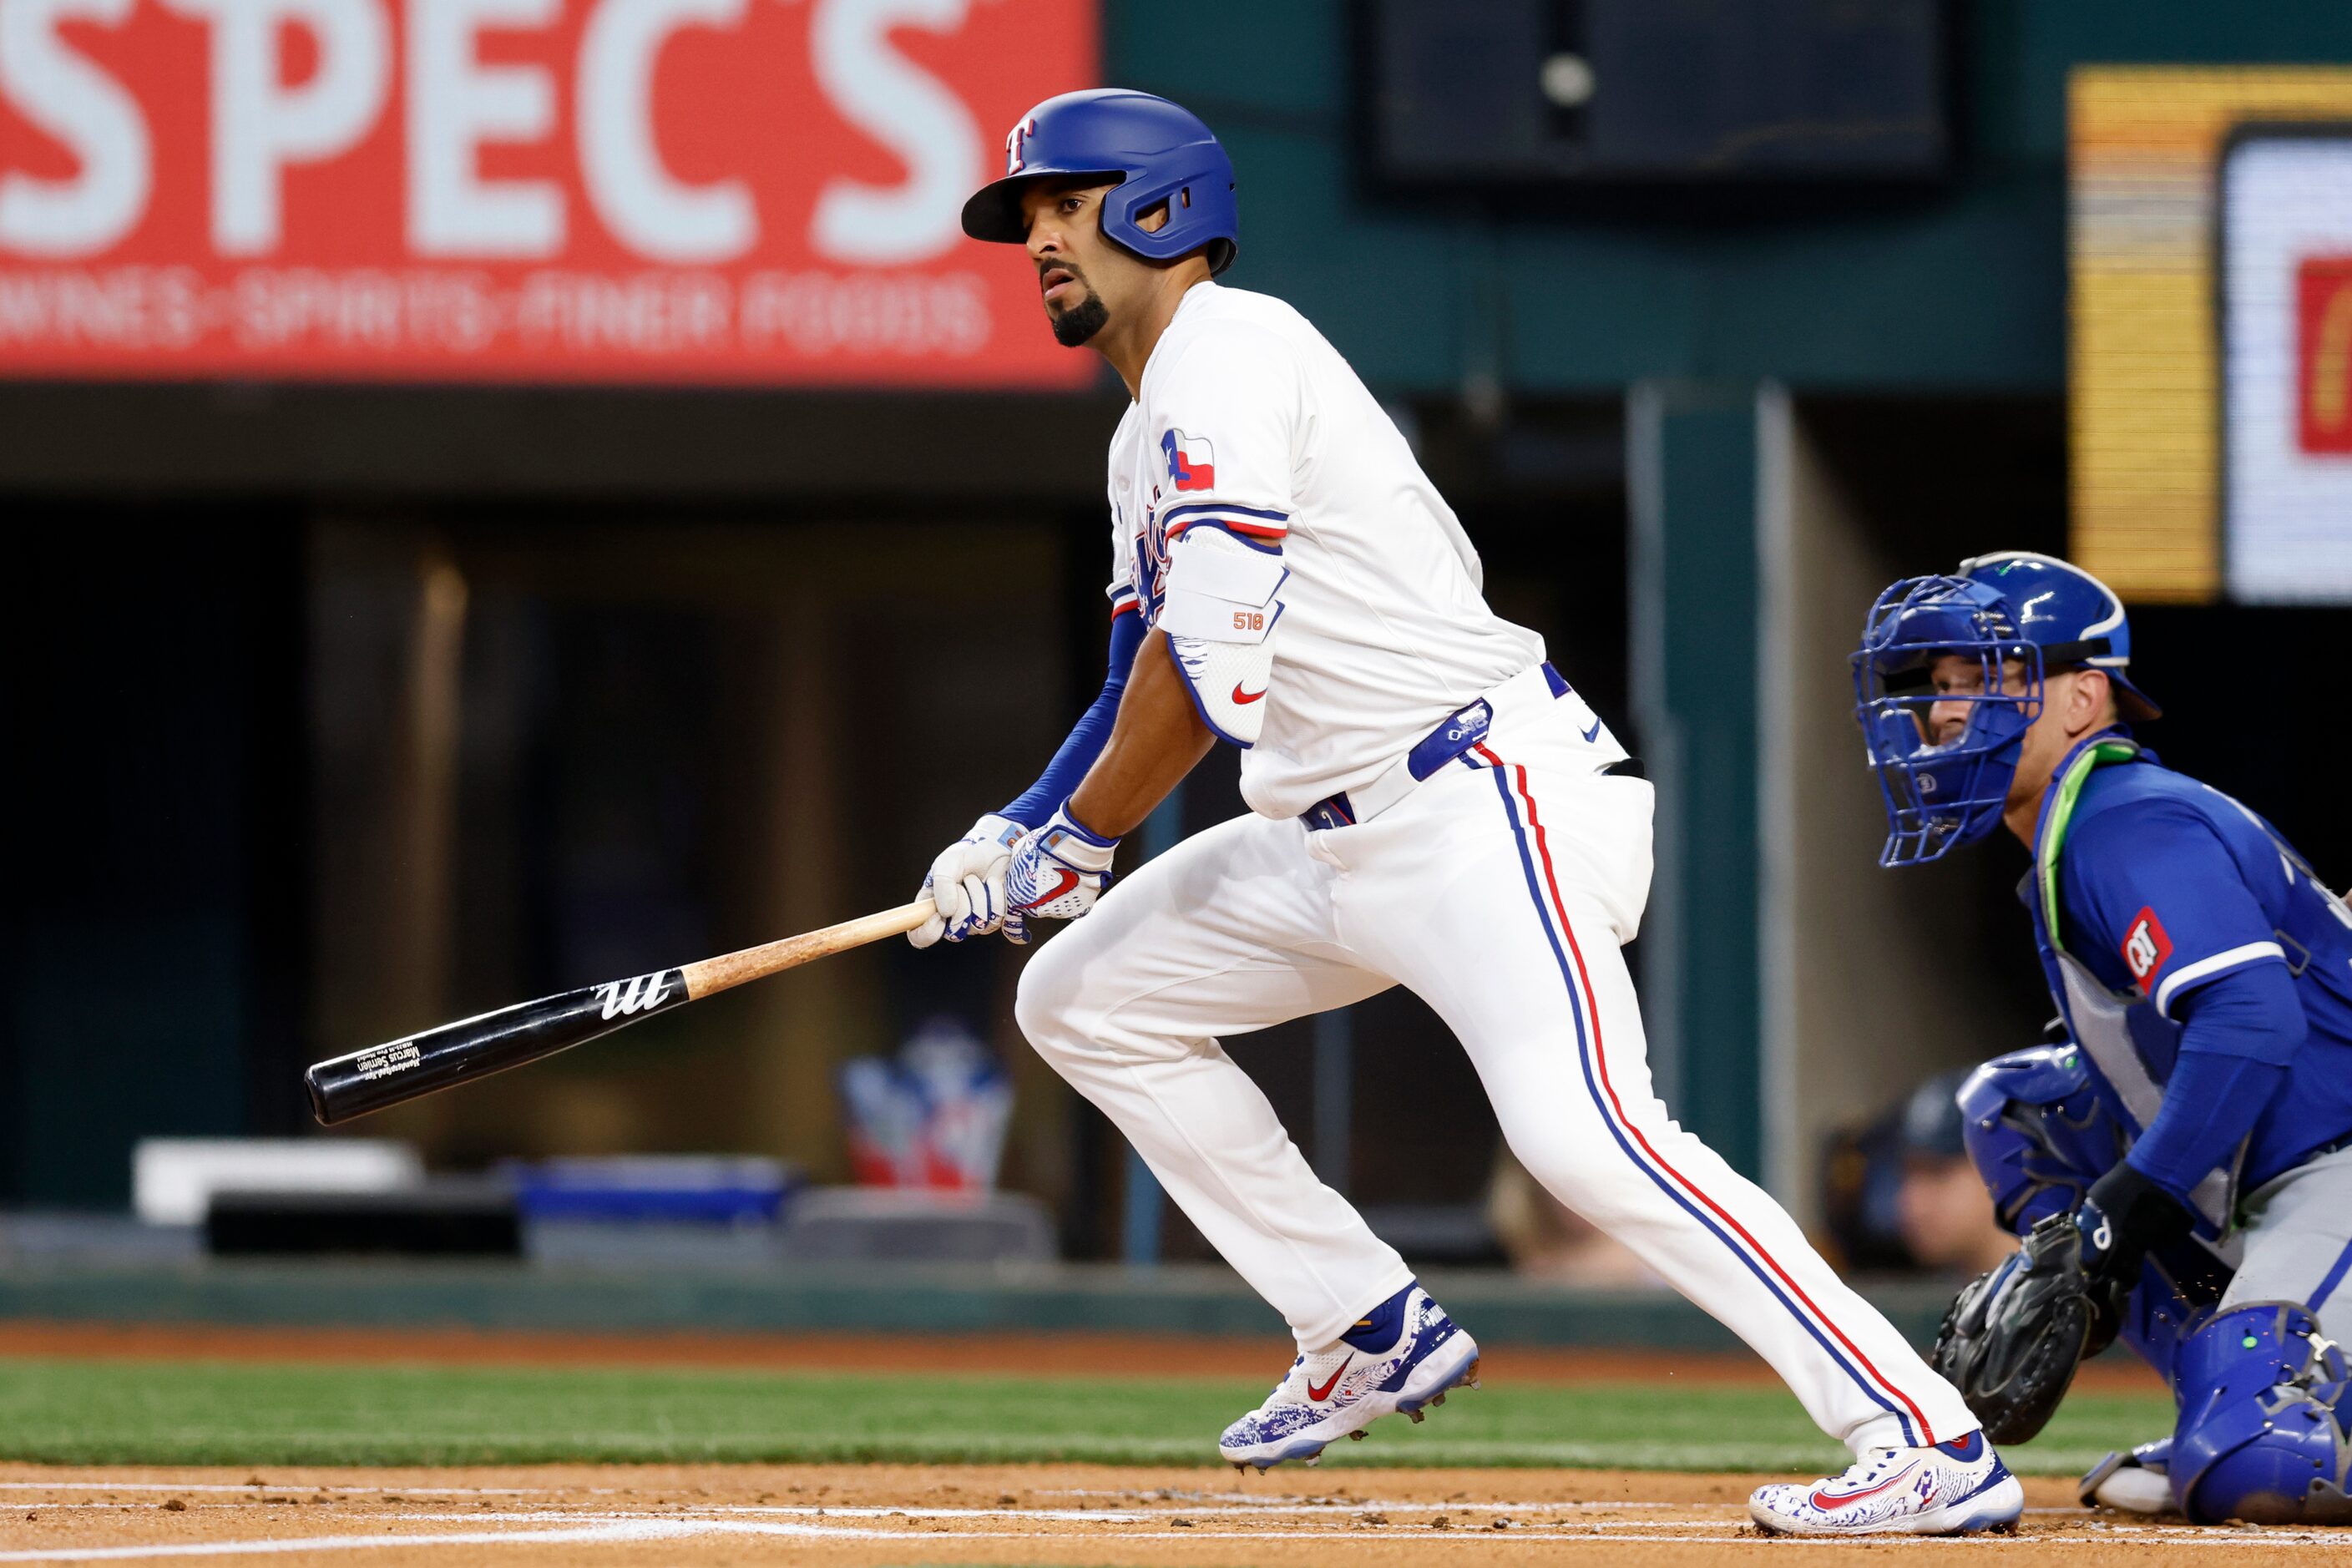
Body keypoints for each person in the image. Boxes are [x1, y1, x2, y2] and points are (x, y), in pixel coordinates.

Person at [904, 88, 2018, 1538]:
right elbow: (1136, 675)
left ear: (1158, 206)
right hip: (1324, 837)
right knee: (1083, 994)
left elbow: (1203, 676)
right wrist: (1025, 829)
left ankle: (1922, 1429)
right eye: (1027, 215)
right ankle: (1360, 1320)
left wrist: (1077, 839)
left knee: (1587, 1138)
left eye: (1063, 201)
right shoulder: (1140, 437)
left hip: (1478, 803)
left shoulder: (1230, 354)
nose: (1038, 236)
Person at [1854, 550, 2352, 1524]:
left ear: (2083, 700)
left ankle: (2272, 1411)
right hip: (2286, 1170)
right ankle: (2242, 1390)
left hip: (2338, 1163)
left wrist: (2127, 1204)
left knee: (2264, 1468)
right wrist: (2116, 1214)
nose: (1947, 711)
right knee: (2018, 1107)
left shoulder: (2127, 821)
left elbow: (2253, 1019)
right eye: (1942, 686)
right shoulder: (2078, 827)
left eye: (1986, 679)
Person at [1894, 1071, 2019, 1280]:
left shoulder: (2069, 1295)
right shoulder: (1960, 1301)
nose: (1913, 1204)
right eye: (1907, 1174)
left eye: (1937, 1173)